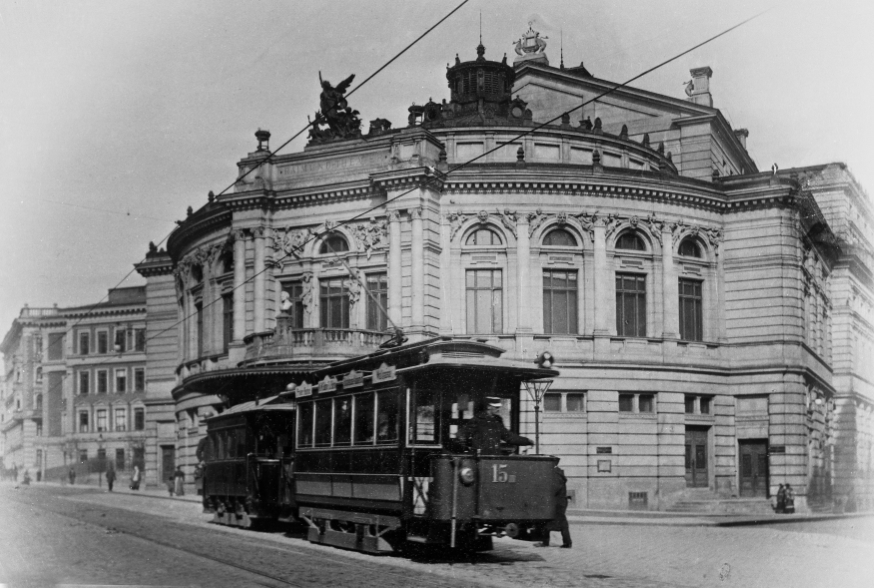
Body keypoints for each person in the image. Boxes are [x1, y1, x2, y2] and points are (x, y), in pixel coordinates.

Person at [456, 397, 533, 455]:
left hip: (495, 458)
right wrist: (463, 442)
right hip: (481, 458)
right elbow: (463, 433)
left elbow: (508, 437)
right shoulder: (477, 419)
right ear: (489, 407)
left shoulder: (498, 421)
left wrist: (526, 441)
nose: (498, 409)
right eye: (496, 407)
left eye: (498, 407)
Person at [536, 466, 572, 548]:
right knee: (547, 521)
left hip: (557, 503)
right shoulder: (558, 475)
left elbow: (554, 489)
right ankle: (546, 542)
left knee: (561, 523)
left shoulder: (556, 476)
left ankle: (567, 542)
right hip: (558, 502)